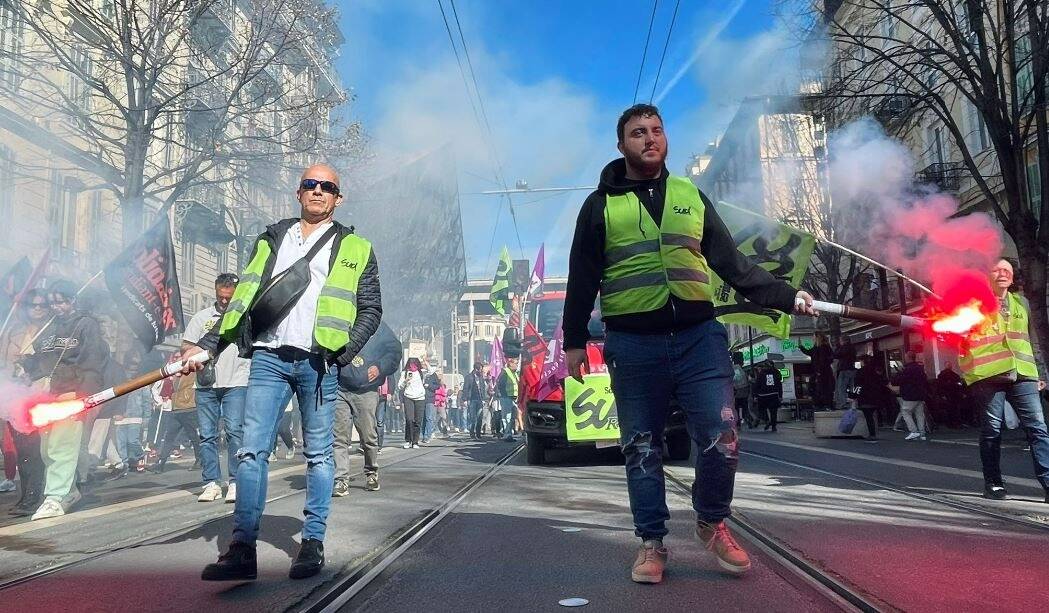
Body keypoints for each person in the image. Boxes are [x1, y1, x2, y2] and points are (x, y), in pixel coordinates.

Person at [563, 104, 816, 583]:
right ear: (621, 146)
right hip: (633, 344)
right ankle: (652, 543)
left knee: (723, 436)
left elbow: (733, 264)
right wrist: (574, 340)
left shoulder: (691, 196)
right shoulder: (599, 206)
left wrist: (787, 296)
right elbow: (582, 276)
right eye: (638, 132)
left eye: (657, 130)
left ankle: (711, 520)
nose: (650, 138)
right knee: (641, 446)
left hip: (699, 339)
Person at [190, 164, 382, 581]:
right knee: (251, 451)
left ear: (338, 198)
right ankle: (242, 548)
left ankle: (312, 543)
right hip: (268, 358)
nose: (318, 191)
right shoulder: (272, 239)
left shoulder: (357, 247)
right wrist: (209, 345)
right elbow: (243, 298)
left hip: (318, 362)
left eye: (327, 186)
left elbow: (371, 308)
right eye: (310, 184)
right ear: (299, 193)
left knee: (319, 455)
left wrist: (344, 352)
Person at [18, 280, 110, 520]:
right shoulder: (50, 327)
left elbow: (93, 360)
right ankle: (68, 491)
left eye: (60, 302)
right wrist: (28, 366)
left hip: (72, 392)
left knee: (62, 445)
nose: (55, 307)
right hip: (49, 393)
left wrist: (85, 396)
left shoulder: (86, 325)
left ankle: (55, 497)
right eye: (52, 303)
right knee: (47, 449)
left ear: (72, 300)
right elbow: (43, 361)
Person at [959, 258, 1048, 502]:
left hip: (1023, 373)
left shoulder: (1022, 303)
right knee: (991, 430)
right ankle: (993, 483)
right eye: (996, 270)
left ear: (1013, 276)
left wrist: (1040, 373)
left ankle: (1048, 482)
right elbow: (960, 338)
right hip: (988, 374)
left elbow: (1032, 339)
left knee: (1038, 428)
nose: (1002, 273)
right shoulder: (973, 304)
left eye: (1007, 270)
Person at [183, 273, 250, 504]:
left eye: (228, 297)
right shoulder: (201, 318)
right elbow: (187, 347)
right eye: (221, 296)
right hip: (206, 384)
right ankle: (211, 482)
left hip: (236, 382)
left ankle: (235, 481)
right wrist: (194, 356)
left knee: (234, 432)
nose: (224, 301)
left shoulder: (244, 318)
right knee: (207, 435)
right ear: (215, 291)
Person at [333, 321, 401, 496]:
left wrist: (380, 367)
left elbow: (394, 350)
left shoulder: (377, 325)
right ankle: (341, 479)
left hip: (366, 389)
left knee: (368, 435)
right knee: (339, 437)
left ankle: (371, 472)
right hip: (339, 386)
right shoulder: (341, 316)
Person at [2, 289, 49, 515]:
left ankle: (34, 495)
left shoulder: (52, 329)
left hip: (40, 393)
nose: (37, 309)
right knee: (22, 449)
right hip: (14, 395)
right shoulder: (13, 330)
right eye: (33, 305)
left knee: (37, 449)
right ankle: (26, 494)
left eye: (42, 305)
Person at [895, 352, 929, 441]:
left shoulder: (907, 369)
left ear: (908, 358)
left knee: (905, 412)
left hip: (909, 394)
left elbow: (899, 380)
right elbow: (925, 380)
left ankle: (913, 431)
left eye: (905, 357)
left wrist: (900, 372)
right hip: (920, 395)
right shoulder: (920, 368)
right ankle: (922, 434)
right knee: (919, 414)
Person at [854, 356, 889, 441]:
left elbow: (857, 385)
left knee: (868, 416)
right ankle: (878, 426)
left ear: (863, 362)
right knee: (873, 414)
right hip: (876, 397)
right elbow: (883, 382)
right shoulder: (876, 371)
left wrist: (854, 395)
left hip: (865, 397)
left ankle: (872, 434)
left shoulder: (861, 372)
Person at [800, 334, 835, 411]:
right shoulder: (817, 347)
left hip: (822, 371)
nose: (813, 339)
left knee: (822, 388)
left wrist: (819, 370)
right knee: (817, 387)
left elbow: (823, 360)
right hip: (819, 371)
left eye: (814, 337)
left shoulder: (823, 347)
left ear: (817, 338)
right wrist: (801, 347)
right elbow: (809, 352)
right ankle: (821, 404)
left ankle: (824, 404)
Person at [399, 358, 427, 448]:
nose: (412, 365)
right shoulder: (404, 373)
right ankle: (408, 440)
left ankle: (415, 442)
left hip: (420, 398)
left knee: (418, 421)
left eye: (414, 363)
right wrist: (406, 381)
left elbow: (432, 371)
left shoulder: (421, 372)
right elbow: (400, 386)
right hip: (408, 397)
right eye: (411, 363)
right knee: (409, 419)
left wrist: (426, 362)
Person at [753, 361, 783, 432]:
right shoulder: (776, 372)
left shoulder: (761, 373)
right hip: (774, 395)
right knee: (773, 411)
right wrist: (780, 395)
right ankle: (773, 426)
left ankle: (767, 420)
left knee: (762, 410)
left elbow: (757, 385)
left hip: (763, 396)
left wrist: (755, 395)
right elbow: (779, 384)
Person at [497, 356, 521, 442]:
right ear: (510, 364)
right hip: (506, 397)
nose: (517, 365)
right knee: (507, 416)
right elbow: (500, 385)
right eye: (516, 364)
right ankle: (507, 435)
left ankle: (508, 433)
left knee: (512, 417)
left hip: (513, 398)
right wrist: (504, 395)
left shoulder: (514, 373)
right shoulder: (505, 372)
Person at [936, 363, 966, 428]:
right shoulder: (955, 375)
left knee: (949, 409)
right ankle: (955, 423)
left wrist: (942, 394)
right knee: (954, 409)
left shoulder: (941, 375)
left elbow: (939, 386)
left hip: (948, 395)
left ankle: (950, 423)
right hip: (954, 394)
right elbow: (959, 385)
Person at [464, 362, 488, 439]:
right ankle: (472, 432)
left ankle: (478, 433)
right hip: (472, 400)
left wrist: (484, 399)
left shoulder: (481, 377)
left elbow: (483, 388)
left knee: (480, 417)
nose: (481, 371)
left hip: (480, 400)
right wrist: (465, 399)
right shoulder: (469, 377)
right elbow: (466, 388)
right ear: (476, 369)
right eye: (480, 370)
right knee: (473, 418)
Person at [834, 337, 858, 409]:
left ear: (844, 341)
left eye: (840, 341)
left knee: (841, 387)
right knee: (851, 387)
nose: (840, 342)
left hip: (844, 369)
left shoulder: (844, 348)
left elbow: (836, 355)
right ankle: (852, 403)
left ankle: (843, 403)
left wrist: (838, 347)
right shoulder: (852, 348)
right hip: (852, 369)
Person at [730, 353, 753, 429]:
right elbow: (749, 380)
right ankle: (748, 420)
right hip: (744, 391)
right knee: (745, 407)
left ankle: (738, 423)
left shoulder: (732, 368)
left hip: (736, 392)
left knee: (736, 408)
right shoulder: (743, 370)